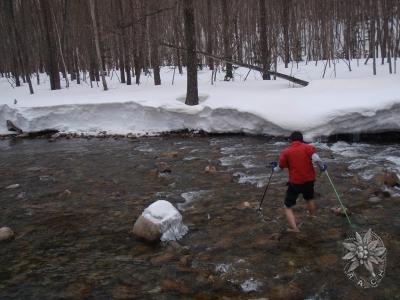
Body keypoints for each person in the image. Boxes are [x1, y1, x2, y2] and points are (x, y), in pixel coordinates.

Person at [271, 131, 327, 232]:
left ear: (291, 140)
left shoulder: (286, 152)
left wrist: (273, 168)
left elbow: (279, 169)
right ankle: (313, 217)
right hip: (309, 181)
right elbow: (317, 159)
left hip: (295, 183)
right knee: (309, 199)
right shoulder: (308, 148)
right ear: (302, 139)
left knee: (287, 207)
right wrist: (322, 168)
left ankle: (295, 229)